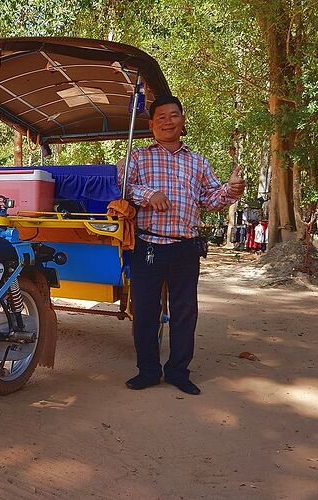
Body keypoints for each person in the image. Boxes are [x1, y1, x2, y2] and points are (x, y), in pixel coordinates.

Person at [121, 95, 245, 395]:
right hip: (148, 246)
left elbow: (211, 199)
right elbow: (122, 185)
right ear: (151, 124)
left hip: (186, 247)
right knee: (146, 312)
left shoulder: (198, 161)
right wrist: (148, 194)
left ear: (182, 120)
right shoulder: (137, 157)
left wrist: (231, 190)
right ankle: (148, 371)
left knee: (185, 312)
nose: (167, 121)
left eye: (173, 115)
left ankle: (178, 372)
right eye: (161, 117)